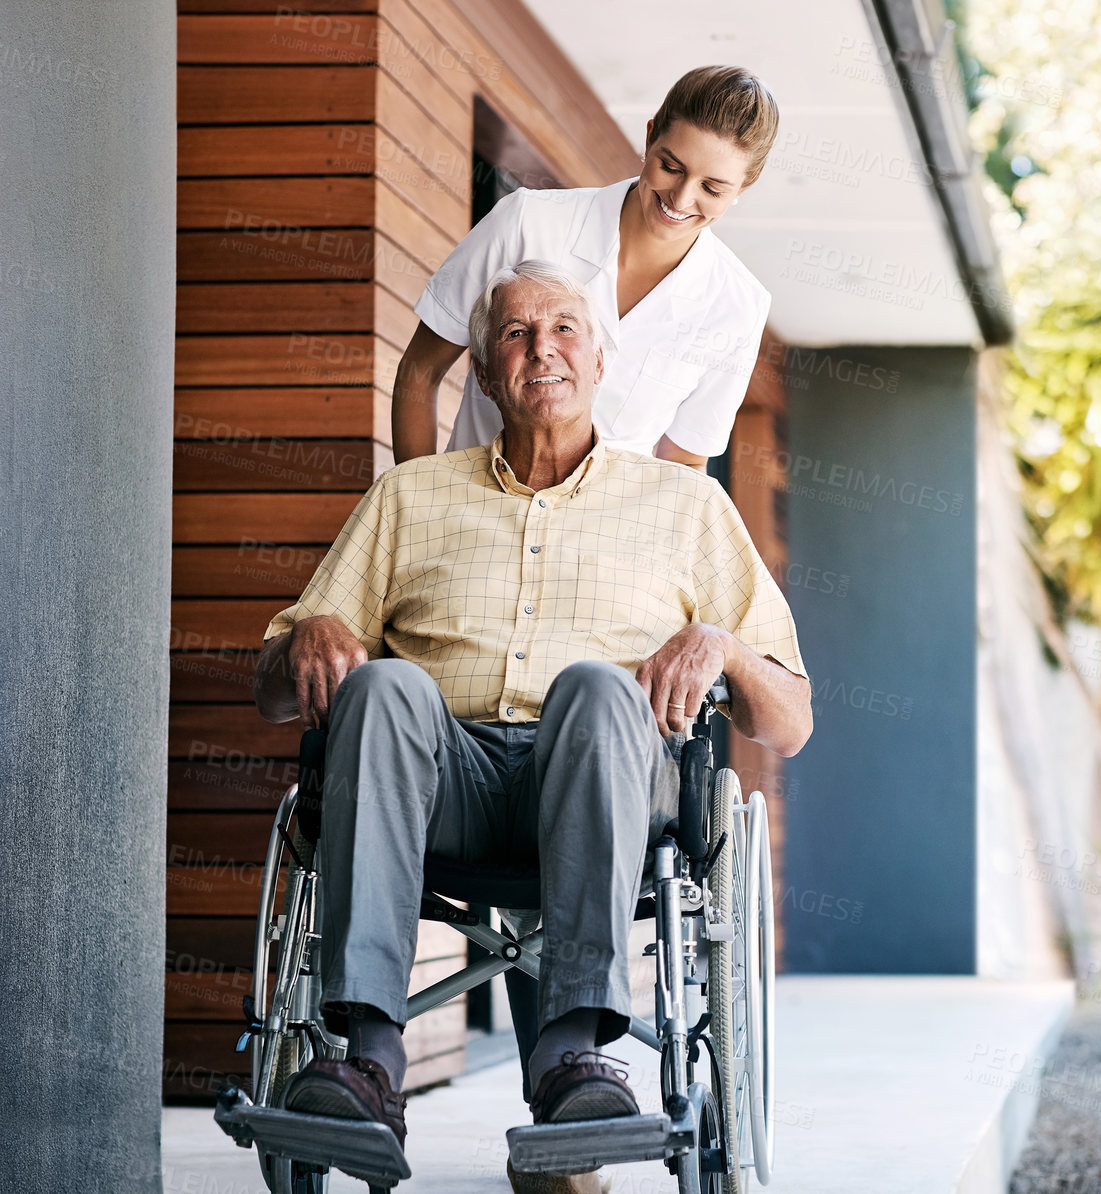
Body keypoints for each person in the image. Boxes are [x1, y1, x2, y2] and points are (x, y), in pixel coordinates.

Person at [254, 260, 811, 1189]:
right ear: (481, 372)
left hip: (607, 775)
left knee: (597, 688)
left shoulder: (687, 506)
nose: (540, 347)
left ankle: (571, 1059)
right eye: (514, 332)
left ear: (601, 358)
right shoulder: (409, 498)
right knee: (384, 690)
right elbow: (275, 691)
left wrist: (721, 645)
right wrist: (307, 634)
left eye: (563, 328)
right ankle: (368, 1061)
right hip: (446, 784)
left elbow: (787, 721)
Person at [393, 65, 779, 469]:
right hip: (470, 522)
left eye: (712, 188)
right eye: (671, 167)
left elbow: (683, 465)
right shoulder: (527, 222)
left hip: (610, 531)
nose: (681, 199)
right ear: (650, 137)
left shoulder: (738, 307)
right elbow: (420, 370)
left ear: (743, 189)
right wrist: (416, 509)